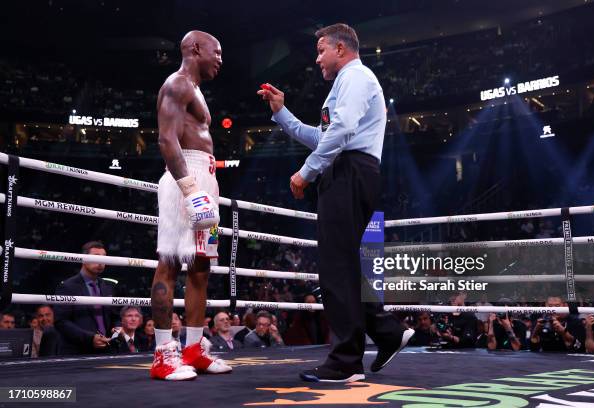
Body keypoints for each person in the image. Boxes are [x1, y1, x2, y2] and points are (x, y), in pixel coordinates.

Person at [258, 23, 412, 382]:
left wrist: (307, 172)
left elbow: (339, 133)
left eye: (321, 50)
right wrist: (282, 112)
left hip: (348, 172)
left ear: (341, 48)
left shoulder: (355, 77)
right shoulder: (346, 85)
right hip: (353, 172)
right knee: (353, 265)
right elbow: (321, 135)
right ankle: (387, 332)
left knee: (338, 267)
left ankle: (345, 361)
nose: (317, 59)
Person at [150, 30, 230, 381]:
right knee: (169, 263)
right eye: (217, 51)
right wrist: (190, 190)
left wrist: (203, 191)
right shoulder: (177, 84)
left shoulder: (195, 90)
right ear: (196, 48)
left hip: (206, 180)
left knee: (201, 267)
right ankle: (163, 355)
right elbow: (166, 139)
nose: (220, 59)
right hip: (186, 179)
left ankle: (194, 349)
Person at [54, 241, 119, 355]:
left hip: (106, 349)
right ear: (83, 259)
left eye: (104, 258)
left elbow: (114, 316)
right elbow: (61, 321)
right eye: (96, 257)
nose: (101, 262)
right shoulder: (67, 286)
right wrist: (90, 338)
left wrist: (117, 328)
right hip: (77, 351)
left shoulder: (107, 286)